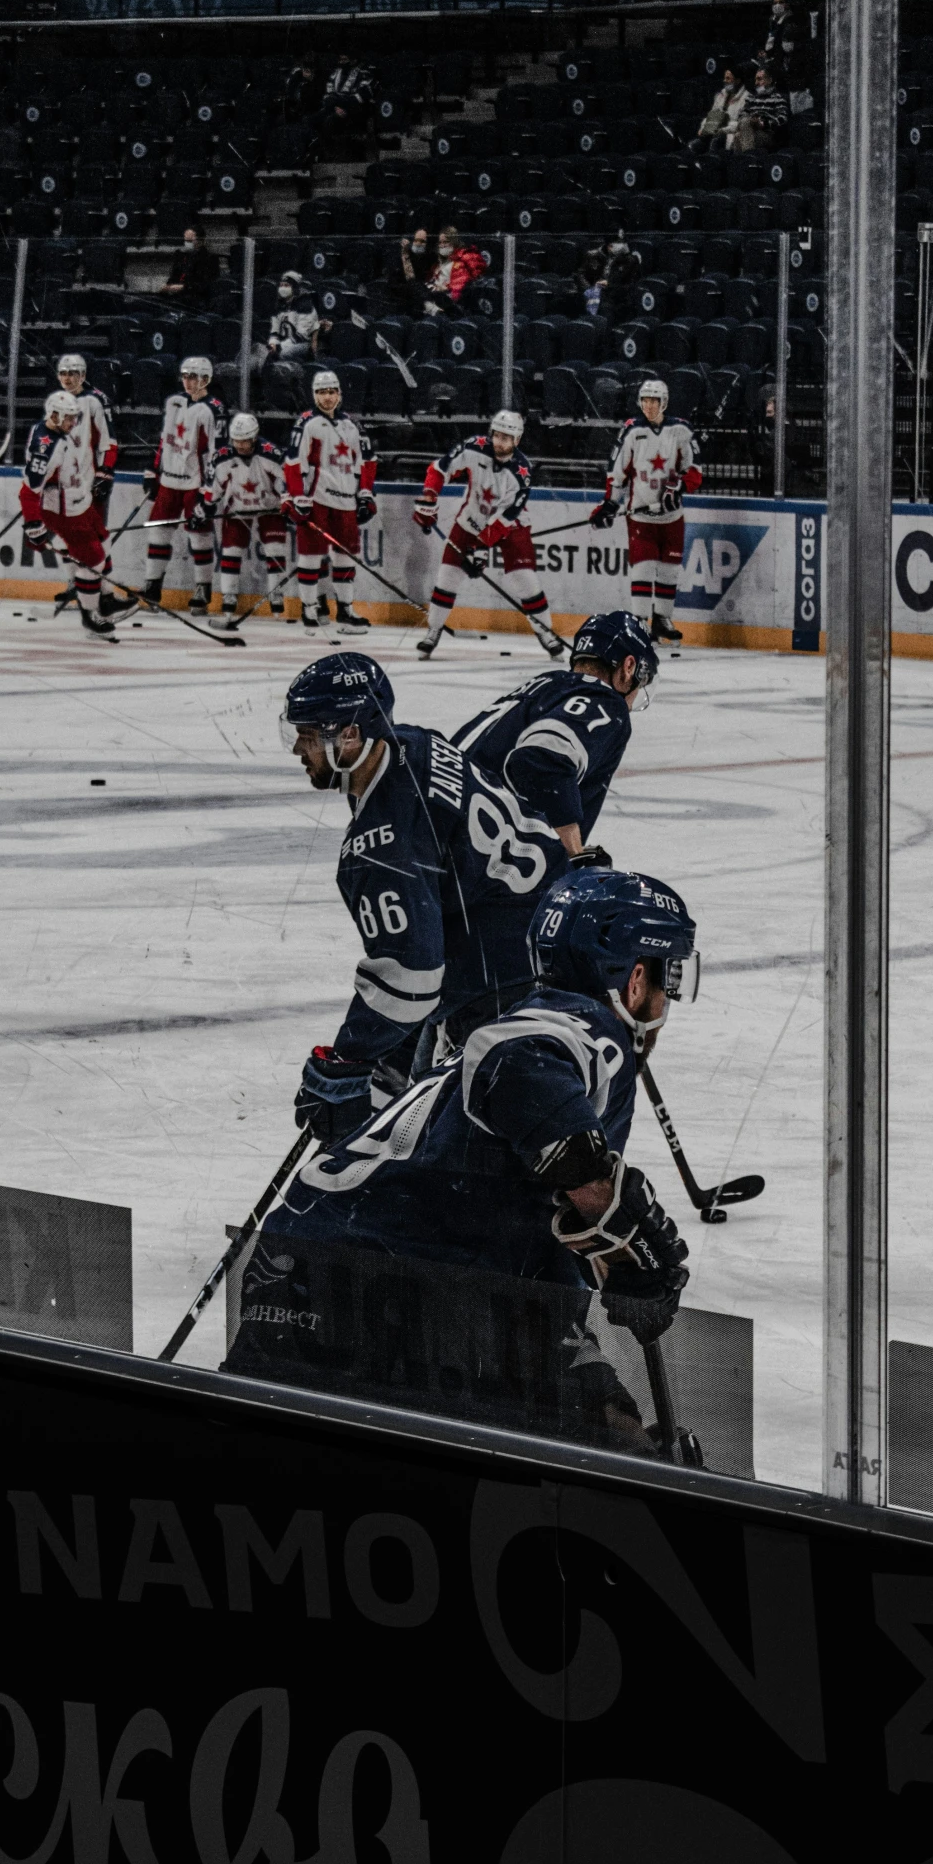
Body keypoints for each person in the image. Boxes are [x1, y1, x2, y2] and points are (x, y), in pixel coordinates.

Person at [226, 868, 695, 1456]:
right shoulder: (586, 1027)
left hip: (298, 1266)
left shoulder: (530, 1015)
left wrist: (613, 1414)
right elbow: (513, 1062)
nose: (666, 1001)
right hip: (376, 1292)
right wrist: (606, 1201)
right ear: (634, 980)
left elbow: (536, 1287)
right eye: (668, 977)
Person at [278, 652, 567, 1143]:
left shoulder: (381, 845)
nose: (297, 750)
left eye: (307, 736)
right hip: (555, 922)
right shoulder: (413, 742)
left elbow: (410, 979)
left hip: (506, 979)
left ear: (348, 735)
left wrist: (349, 1058)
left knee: (470, 1143)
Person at [450, 610, 657, 858]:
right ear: (629, 666)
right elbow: (539, 760)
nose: (632, 701)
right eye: (641, 680)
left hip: (435, 821)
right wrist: (572, 854)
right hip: (463, 849)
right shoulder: (607, 701)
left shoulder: (547, 683)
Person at [413, 409, 560, 660]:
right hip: (471, 520)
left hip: (510, 527)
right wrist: (429, 496)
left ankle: (546, 632)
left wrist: (480, 547)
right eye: (497, 435)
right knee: (447, 577)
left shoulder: (522, 471)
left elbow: (508, 515)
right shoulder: (474, 447)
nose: (500, 442)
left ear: (517, 440)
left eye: (507, 438)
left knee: (525, 580)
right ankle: (433, 630)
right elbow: (439, 469)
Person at [590, 378, 700, 646]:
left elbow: (694, 470)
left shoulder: (681, 430)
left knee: (669, 570)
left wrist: (679, 488)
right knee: (643, 567)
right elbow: (617, 473)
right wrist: (610, 504)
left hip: (672, 516)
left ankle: (662, 619)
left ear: (664, 403)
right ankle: (640, 623)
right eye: (645, 400)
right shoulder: (631, 431)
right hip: (640, 515)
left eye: (655, 401)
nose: (649, 406)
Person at [283, 368, 378, 634]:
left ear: (339, 394)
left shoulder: (353, 425)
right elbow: (293, 461)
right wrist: (296, 495)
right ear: (314, 395)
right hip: (317, 501)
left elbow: (368, 461)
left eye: (331, 392)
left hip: (347, 501)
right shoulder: (307, 423)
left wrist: (365, 493)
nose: (327, 397)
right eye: (322, 392)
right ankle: (309, 606)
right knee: (311, 555)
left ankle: (345, 608)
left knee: (345, 556)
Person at [21, 390, 116, 641]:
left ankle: (105, 598)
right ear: (54, 415)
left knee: (102, 540)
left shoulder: (57, 433)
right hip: (63, 509)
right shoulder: (48, 448)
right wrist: (33, 523)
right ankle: (90, 614)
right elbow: (29, 491)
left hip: (77, 501)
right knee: (93, 558)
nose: (74, 423)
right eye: (69, 418)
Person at [141, 355, 227, 615]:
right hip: (169, 480)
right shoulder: (174, 402)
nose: (189, 382)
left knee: (199, 537)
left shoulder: (214, 409)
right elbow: (164, 441)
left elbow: (218, 453)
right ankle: (152, 588)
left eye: (195, 377)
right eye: (186, 376)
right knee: (157, 533)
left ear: (207, 379)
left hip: (195, 483)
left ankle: (202, 589)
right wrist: (152, 471)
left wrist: (208, 492)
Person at [202, 412, 287, 621]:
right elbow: (213, 487)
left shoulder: (272, 454)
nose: (240, 445)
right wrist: (206, 506)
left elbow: (287, 481)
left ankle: (276, 595)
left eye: (244, 440)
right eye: (236, 440)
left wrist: (288, 502)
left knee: (275, 550)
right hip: (237, 509)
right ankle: (229, 596)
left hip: (270, 508)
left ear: (255, 437)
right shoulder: (222, 456)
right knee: (231, 550)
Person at [54, 351, 118, 530]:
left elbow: (109, 440)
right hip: (66, 482)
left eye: (72, 373)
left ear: (82, 375)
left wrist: (105, 471)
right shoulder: (57, 403)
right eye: (63, 373)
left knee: (92, 538)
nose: (67, 378)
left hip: (89, 480)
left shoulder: (94, 400)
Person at [258, 269, 322, 412]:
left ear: (294, 287)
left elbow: (301, 335)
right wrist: (273, 343)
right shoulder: (279, 307)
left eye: (286, 285)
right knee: (260, 352)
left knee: (281, 354)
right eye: (281, 285)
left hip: (302, 345)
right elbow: (274, 331)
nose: (283, 288)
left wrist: (277, 348)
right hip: (284, 345)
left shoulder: (305, 306)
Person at [401, 224, 486, 318]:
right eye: (440, 242)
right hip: (434, 297)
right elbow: (426, 280)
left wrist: (445, 287)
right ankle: (431, 309)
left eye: (445, 242)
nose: (442, 245)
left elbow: (459, 287)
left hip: (450, 302)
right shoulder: (438, 263)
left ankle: (432, 309)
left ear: (453, 242)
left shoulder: (462, 261)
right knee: (413, 285)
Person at [316, 55, 376, 153]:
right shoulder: (334, 74)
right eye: (340, 59)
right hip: (335, 108)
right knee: (315, 118)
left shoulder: (363, 74)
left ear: (353, 61)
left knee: (329, 120)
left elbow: (362, 96)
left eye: (345, 60)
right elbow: (328, 95)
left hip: (354, 109)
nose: (342, 62)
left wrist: (338, 101)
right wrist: (336, 107)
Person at [734, 65, 789, 152]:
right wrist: (752, 120)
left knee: (739, 136)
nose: (756, 83)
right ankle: (747, 158)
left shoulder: (778, 98)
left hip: (767, 134)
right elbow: (742, 114)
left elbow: (783, 119)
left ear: (770, 80)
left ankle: (747, 157)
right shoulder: (751, 97)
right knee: (739, 133)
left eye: (759, 79)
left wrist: (763, 124)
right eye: (755, 79)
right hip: (749, 129)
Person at [693, 65, 747, 152]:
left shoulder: (746, 98)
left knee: (715, 142)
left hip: (729, 135)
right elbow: (711, 116)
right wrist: (703, 128)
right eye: (724, 78)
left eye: (728, 78)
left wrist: (721, 129)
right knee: (695, 145)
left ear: (737, 81)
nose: (724, 81)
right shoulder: (721, 95)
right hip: (713, 131)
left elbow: (741, 124)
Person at [160, 227, 219, 303]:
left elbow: (205, 284)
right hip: (175, 295)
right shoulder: (181, 256)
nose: (187, 243)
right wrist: (167, 287)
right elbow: (174, 276)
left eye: (190, 241)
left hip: (193, 297)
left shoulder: (209, 258)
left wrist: (183, 287)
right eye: (186, 240)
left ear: (201, 241)